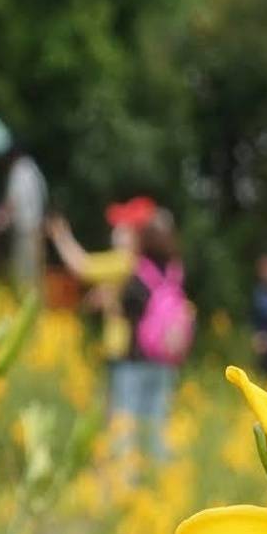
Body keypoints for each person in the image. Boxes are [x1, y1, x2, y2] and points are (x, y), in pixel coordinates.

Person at [48, 198, 186, 463]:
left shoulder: (128, 263)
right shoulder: (173, 267)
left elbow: (81, 266)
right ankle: (160, 484)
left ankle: (123, 486)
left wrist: (61, 235)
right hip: (164, 359)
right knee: (157, 428)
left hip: (130, 357)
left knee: (123, 427)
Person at [0, 148, 47, 290]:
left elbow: (13, 201)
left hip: (24, 230)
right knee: (34, 271)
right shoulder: (33, 170)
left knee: (23, 271)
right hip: (36, 227)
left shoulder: (19, 171)